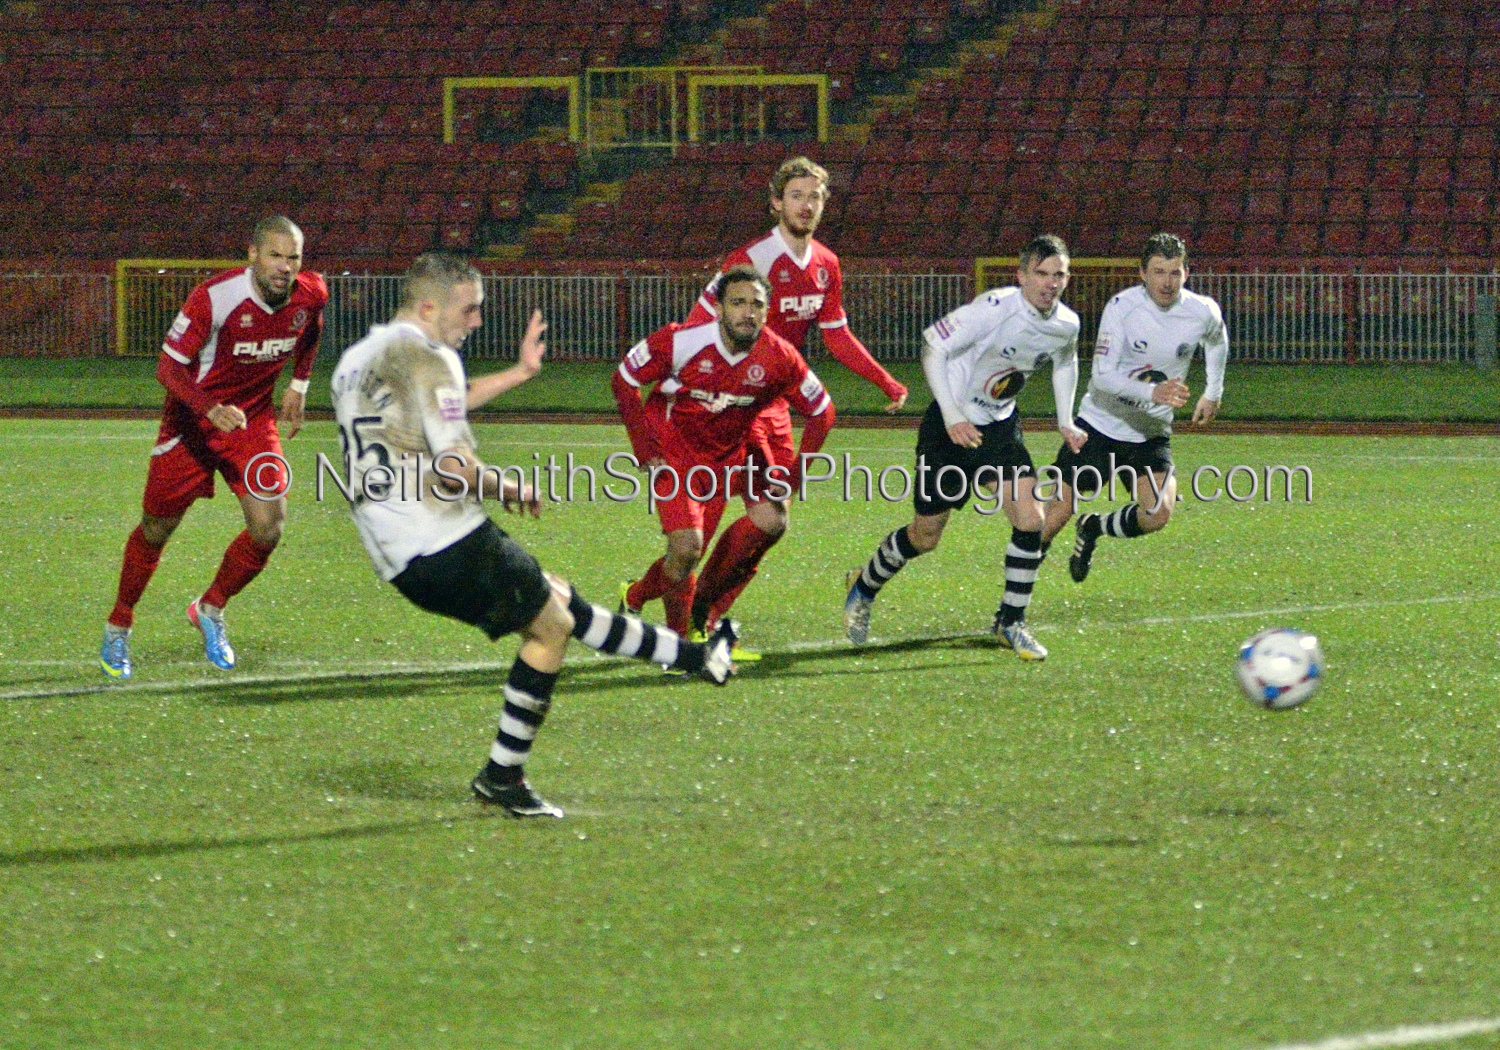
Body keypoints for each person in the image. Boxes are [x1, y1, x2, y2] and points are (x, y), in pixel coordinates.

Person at [330, 252, 735, 818]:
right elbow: (454, 465)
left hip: (397, 550)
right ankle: (502, 774)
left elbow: (423, 408)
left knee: (556, 595)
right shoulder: (431, 358)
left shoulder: (357, 359)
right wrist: (509, 486)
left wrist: (519, 374)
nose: (476, 322)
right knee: (552, 628)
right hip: (442, 537)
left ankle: (695, 658)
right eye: (469, 310)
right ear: (429, 306)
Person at [630, 156, 907, 654]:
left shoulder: (826, 263)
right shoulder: (750, 259)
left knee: (772, 520)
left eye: (816, 197)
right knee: (695, 536)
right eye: (797, 196)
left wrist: (884, 381)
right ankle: (659, 607)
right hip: (723, 404)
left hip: (772, 406)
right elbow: (699, 327)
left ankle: (707, 612)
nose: (807, 206)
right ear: (777, 202)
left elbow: (836, 335)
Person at [100, 215, 327, 679]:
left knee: (268, 527)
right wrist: (208, 408)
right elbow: (168, 368)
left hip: (252, 423)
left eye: (293, 258)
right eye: (275, 256)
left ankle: (210, 608)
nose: (285, 267)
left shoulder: (311, 293)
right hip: (190, 426)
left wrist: (299, 385)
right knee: (156, 529)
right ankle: (119, 624)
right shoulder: (215, 297)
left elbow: (312, 329)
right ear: (252, 255)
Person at [842, 234, 1086, 660]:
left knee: (1031, 517)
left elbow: (1067, 360)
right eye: (1041, 273)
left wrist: (1065, 419)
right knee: (925, 534)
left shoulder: (1066, 323)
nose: (1050, 283)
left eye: (1059, 274)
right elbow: (933, 347)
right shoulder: (993, 309)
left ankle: (1010, 623)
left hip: (999, 426)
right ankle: (863, 586)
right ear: (1022, 275)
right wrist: (953, 414)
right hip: (949, 425)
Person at [613, 266, 836, 650]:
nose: (747, 312)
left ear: (768, 312)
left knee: (692, 555)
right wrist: (644, 449)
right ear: (718, 308)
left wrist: (796, 475)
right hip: (675, 451)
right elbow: (625, 379)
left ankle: (635, 595)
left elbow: (822, 410)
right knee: (686, 547)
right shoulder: (680, 342)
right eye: (737, 303)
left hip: (725, 457)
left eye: (757, 305)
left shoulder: (780, 357)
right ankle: (680, 647)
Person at [1042, 232, 1227, 581]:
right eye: (1158, 272)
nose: (1167, 282)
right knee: (1054, 515)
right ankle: (1014, 595)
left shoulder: (1201, 311)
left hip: (1150, 432)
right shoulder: (1122, 308)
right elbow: (1102, 376)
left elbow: (1218, 340)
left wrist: (1213, 391)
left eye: (1175, 272)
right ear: (1142, 273)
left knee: (1157, 513)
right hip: (1100, 424)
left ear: (1187, 272)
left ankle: (1094, 527)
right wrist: (1153, 392)